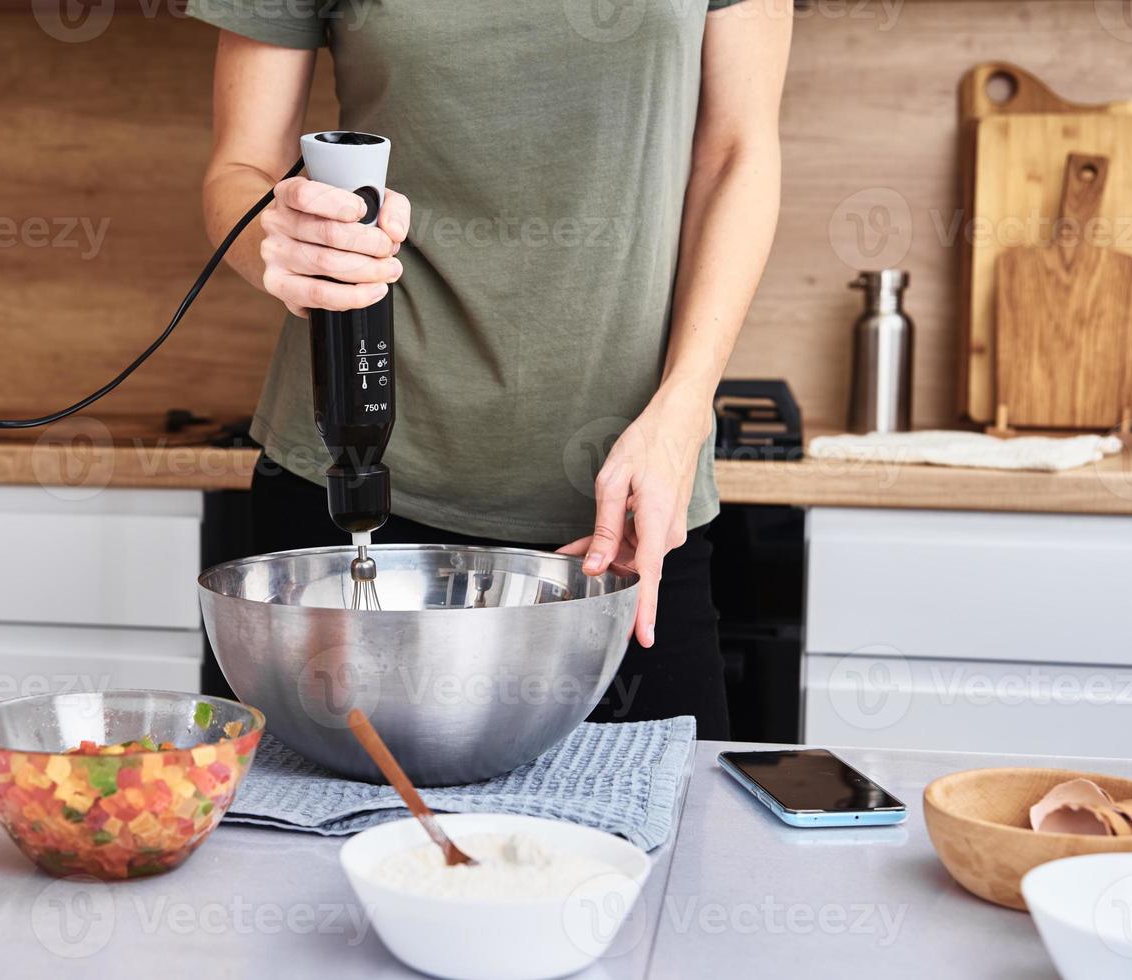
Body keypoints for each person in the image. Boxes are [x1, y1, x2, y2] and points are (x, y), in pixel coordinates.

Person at [191, 0, 792, 738]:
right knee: (304, 838)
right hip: (350, 476)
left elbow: (739, 151)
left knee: (658, 833)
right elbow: (239, 170)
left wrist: (686, 406)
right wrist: (278, 247)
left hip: (627, 501)